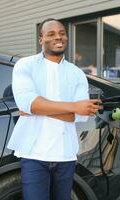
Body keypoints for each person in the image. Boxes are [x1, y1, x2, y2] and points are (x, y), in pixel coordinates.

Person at [7, 18, 101, 200]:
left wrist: (37, 108)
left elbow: (81, 116)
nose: (58, 37)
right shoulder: (25, 65)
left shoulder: (77, 73)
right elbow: (29, 103)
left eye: (62, 33)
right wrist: (74, 107)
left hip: (65, 154)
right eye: (51, 34)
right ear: (41, 39)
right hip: (33, 154)